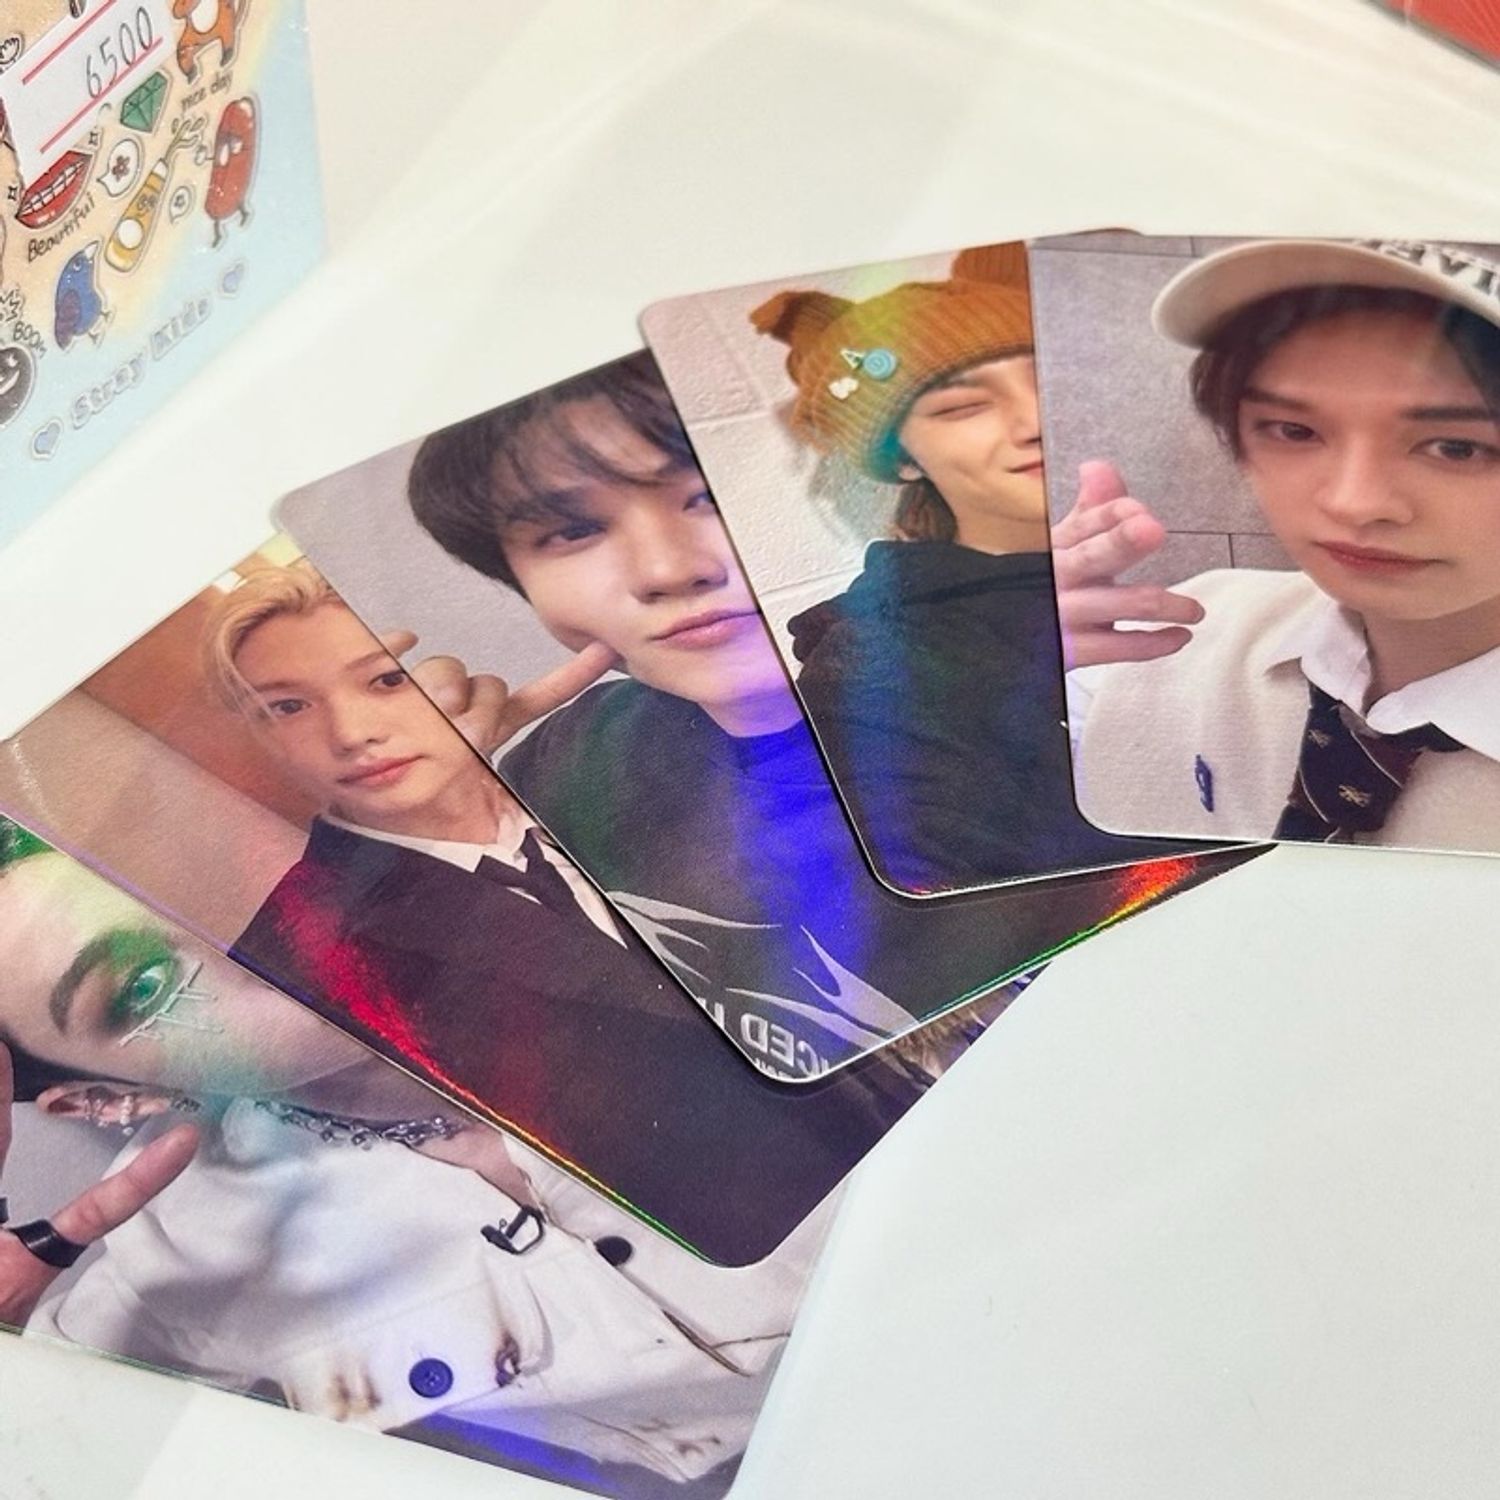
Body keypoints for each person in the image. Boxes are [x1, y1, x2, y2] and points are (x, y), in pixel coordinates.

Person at [400, 351, 1243, 1070]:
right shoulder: (568, 763)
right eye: (570, 532)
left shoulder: (1035, 692)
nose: (667, 569)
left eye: (705, 497)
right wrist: (421, 826)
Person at [0, 816, 829, 1494]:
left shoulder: (590, 898)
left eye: (193, 882)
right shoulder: (175, 1262)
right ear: (101, 1098)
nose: (228, 936)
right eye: (141, 987)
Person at [204, 561, 999, 1264]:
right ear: (255, 736)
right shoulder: (299, 957)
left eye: (385, 680)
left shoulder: (610, 744)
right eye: (288, 707)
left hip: (973, 1125)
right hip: (800, 1270)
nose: (353, 733)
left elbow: (881, 845)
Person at [748, 243, 1202, 891]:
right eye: (963, 406)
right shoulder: (879, 666)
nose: (1036, 420)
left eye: (1051, 382)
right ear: (903, 458)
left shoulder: (1222, 557)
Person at [1054, 238, 1500, 850]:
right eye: (1295, 430)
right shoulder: (1179, 632)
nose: (1355, 502)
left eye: (1457, 447)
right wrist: (990, 659)